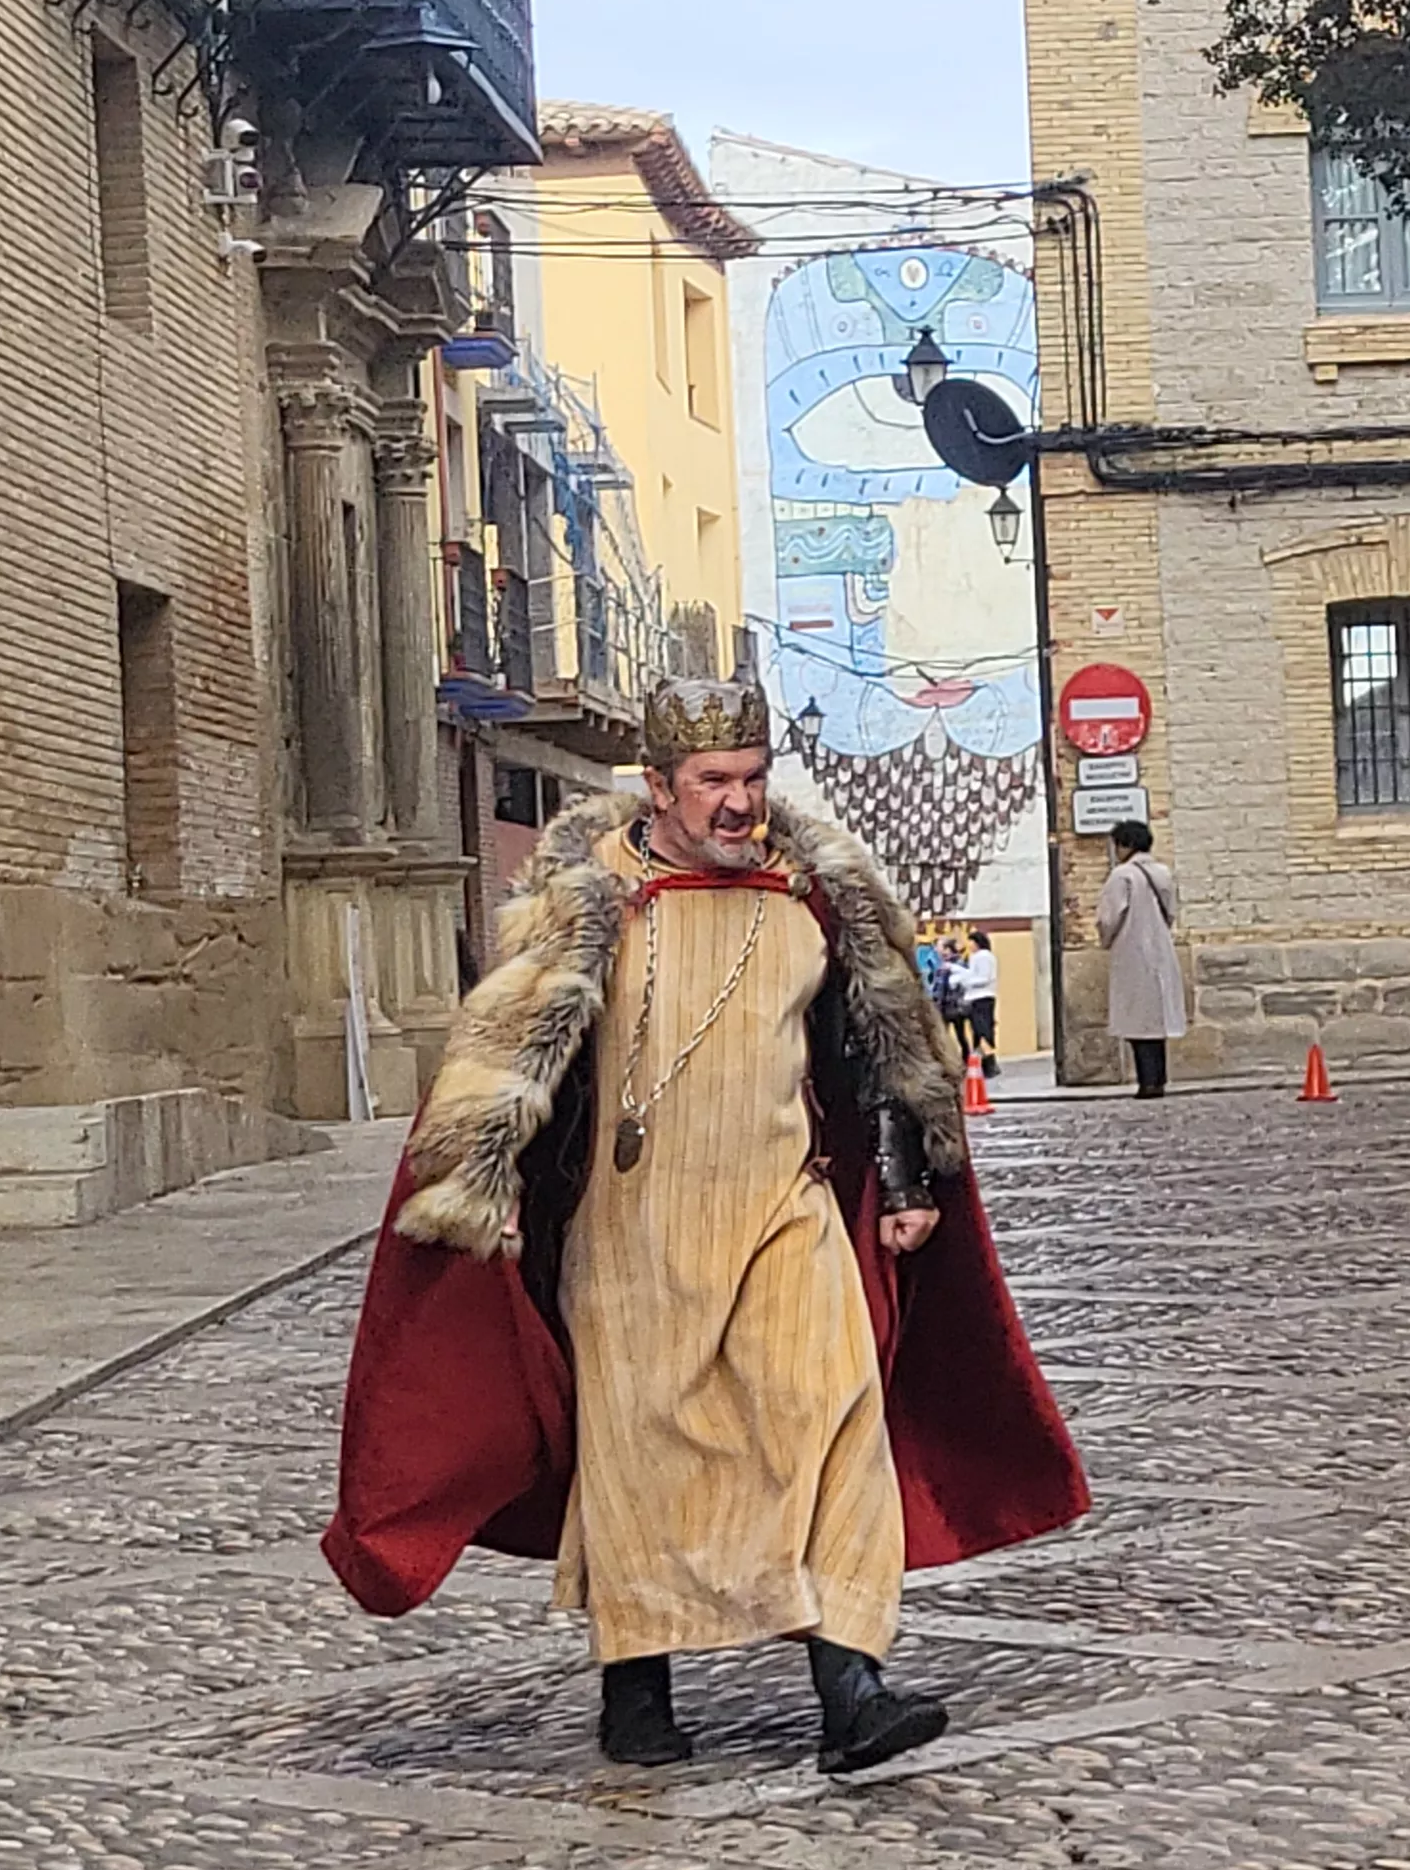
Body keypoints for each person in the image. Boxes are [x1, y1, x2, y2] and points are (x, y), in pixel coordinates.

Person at [327, 677, 1088, 1773]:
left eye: (753, 777)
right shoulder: (586, 897)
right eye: (713, 781)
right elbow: (501, 1059)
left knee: (833, 1412)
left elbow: (878, 1043)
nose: (739, 802)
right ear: (660, 786)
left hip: (785, 1206)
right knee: (641, 1455)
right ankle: (636, 1682)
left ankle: (852, 1687)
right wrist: (482, 1187)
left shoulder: (815, 895)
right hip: (631, 1223)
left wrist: (904, 1178)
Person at [1097, 821, 1186, 1100]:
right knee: (1157, 1022)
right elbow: (1171, 912)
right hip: (1161, 948)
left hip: (1132, 950)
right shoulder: (1163, 873)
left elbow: (1110, 917)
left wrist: (1106, 940)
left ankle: (1147, 1082)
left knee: (1137, 1021)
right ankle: (1159, 1078)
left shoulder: (1122, 876)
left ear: (1126, 845)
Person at [954, 932, 1000, 1079]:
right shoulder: (977, 957)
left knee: (982, 1031)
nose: (969, 945)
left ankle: (989, 1063)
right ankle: (983, 1063)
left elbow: (983, 978)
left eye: (971, 942)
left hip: (981, 997)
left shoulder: (983, 956)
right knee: (978, 1032)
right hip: (977, 998)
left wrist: (965, 981)